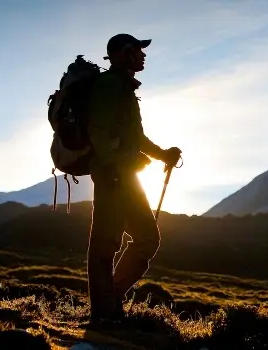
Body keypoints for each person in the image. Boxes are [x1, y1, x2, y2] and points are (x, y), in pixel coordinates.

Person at [85, 33, 182, 326]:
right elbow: (98, 131)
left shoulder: (123, 87)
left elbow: (134, 137)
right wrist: (112, 167)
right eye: (136, 50)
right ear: (119, 54)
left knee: (138, 239)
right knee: (108, 242)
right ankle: (105, 310)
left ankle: (109, 302)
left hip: (123, 174)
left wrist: (163, 154)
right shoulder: (110, 86)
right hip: (114, 175)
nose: (142, 55)